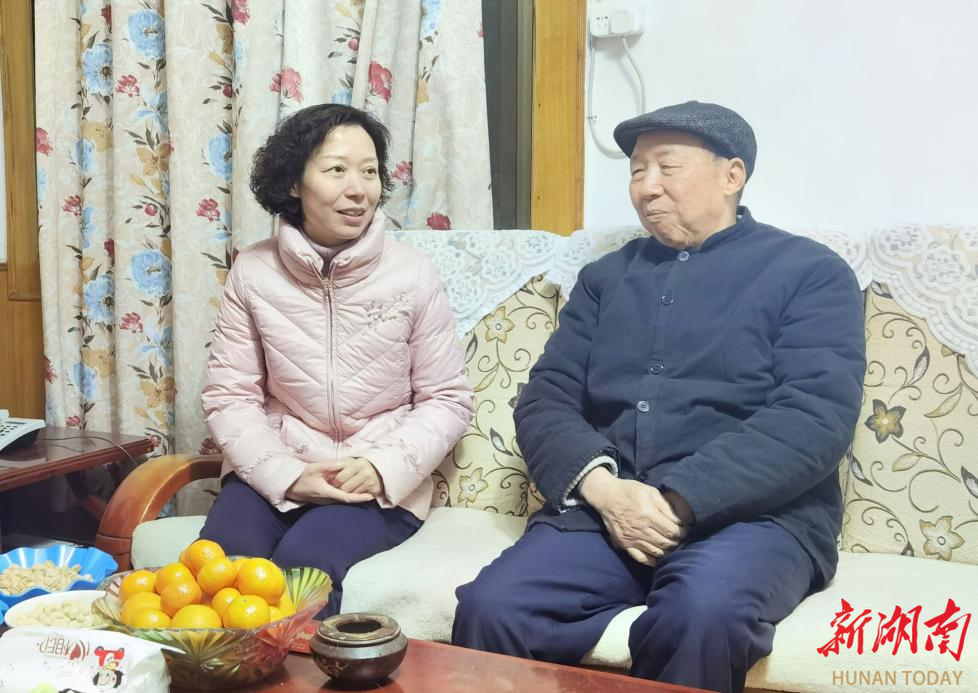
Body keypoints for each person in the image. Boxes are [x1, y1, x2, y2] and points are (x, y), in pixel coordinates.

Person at [452, 101, 866, 693]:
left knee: (702, 614)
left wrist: (678, 501)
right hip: (608, 509)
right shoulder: (605, 279)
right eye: (636, 171)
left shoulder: (808, 271)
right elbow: (546, 400)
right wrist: (607, 493)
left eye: (666, 167)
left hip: (756, 520)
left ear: (732, 175)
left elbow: (815, 416)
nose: (646, 187)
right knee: (494, 606)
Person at [199, 103, 474, 616]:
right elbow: (229, 395)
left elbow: (448, 398)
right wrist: (287, 476)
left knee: (303, 570)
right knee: (219, 568)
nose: (359, 190)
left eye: (369, 172)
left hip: (372, 479)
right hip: (277, 466)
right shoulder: (253, 271)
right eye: (336, 170)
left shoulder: (413, 273)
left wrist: (381, 467)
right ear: (294, 183)